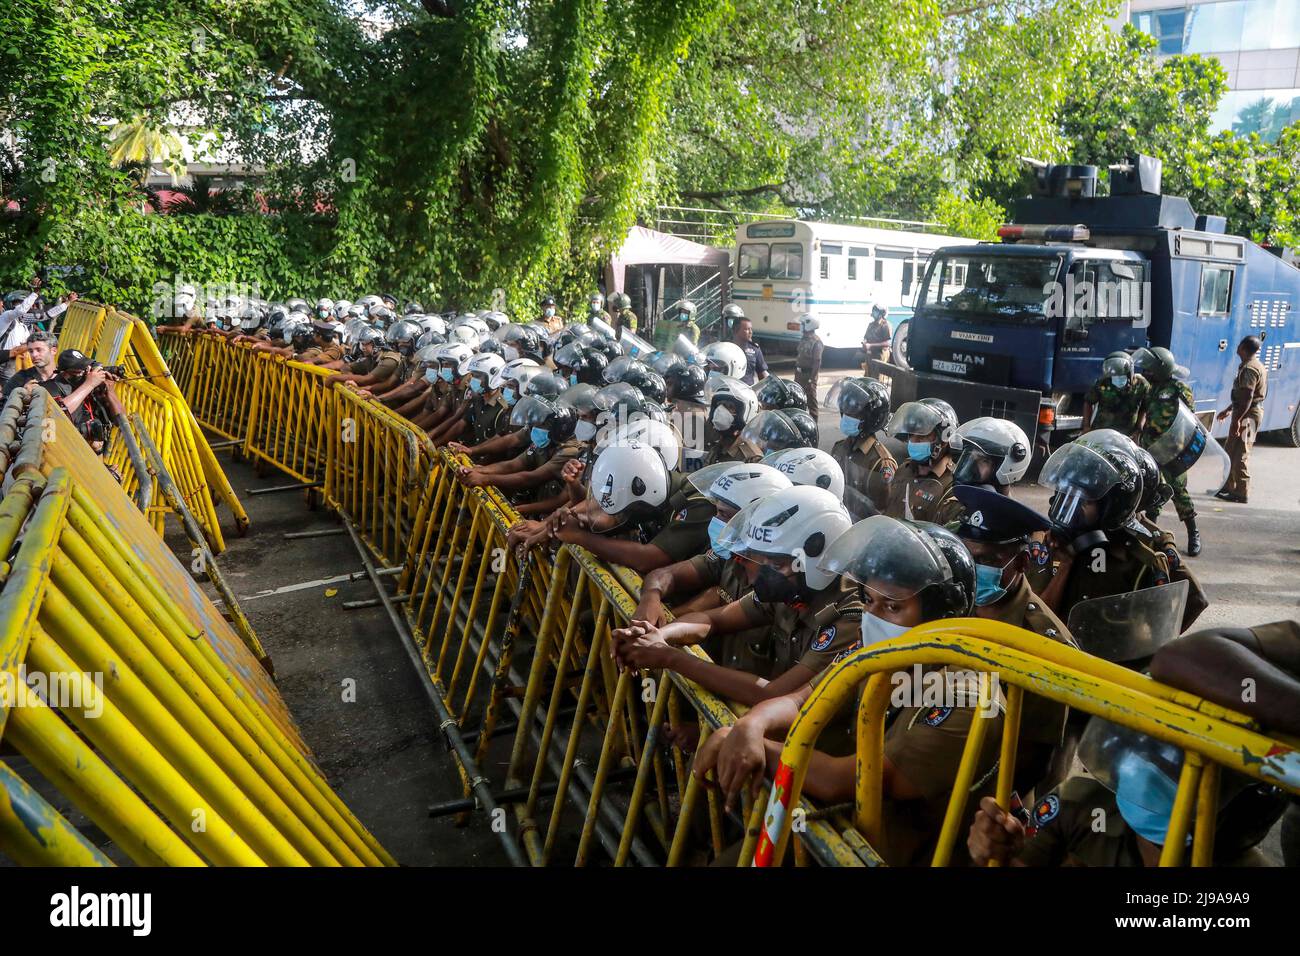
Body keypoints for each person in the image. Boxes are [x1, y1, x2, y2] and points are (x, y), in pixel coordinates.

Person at [693, 516, 990, 866]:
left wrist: (754, 745)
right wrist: (751, 725)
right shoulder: (874, 656)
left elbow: (850, 778)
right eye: (869, 600)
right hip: (840, 834)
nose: (873, 617)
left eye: (892, 607)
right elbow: (802, 698)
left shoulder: (968, 695)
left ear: (942, 615)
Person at [612, 485, 861, 706]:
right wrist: (658, 634)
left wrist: (670, 657)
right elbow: (714, 619)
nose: (758, 574)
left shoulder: (848, 617)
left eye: (774, 563)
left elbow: (772, 694)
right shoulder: (794, 591)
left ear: (817, 563)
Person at [1030, 439, 1169, 620]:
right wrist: (1065, 565)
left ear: (1111, 507)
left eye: (1084, 500)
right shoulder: (1049, 544)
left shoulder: (1139, 559)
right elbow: (1037, 619)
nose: (1069, 508)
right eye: (1065, 495)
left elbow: (1169, 621)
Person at [1134, 346, 1200, 556]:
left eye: (1151, 370)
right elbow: (1143, 408)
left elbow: (1190, 419)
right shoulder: (1151, 388)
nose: (1147, 373)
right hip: (1151, 448)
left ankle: (1194, 533)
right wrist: (1139, 426)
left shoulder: (1179, 389)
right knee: (1153, 490)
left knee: (1179, 492)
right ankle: (1151, 534)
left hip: (1173, 450)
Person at [883, 399, 957, 523]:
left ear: (943, 441)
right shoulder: (903, 469)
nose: (914, 440)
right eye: (911, 434)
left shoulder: (951, 486)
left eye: (923, 436)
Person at [1215, 335, 1267, 504]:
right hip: (1244, 412)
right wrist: (1230, 410)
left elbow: (1247, 397)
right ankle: (1228, 486)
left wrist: (1238, 419)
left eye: (1239, 345)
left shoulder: (1250, 369)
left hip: (1248, 415)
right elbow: (1242, 397)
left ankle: (1241, 492)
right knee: (1230, 450)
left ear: (1243, 348)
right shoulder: (1250, 365)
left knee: (1241, 453)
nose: (1236, 347)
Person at [1082, 351, 1149, 437]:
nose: (1117, 379)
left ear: (1129, 373)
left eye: (1121, 376)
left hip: (1127, 435)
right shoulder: (1103, 382)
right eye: (1114, 376)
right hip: (1101, 432)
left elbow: (1145, 408)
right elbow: (1088, 402)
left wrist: (1139, 429)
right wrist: (1086, 427)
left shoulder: (1141, 385)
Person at [2, 331, 56, 399]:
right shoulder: (21, 377)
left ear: (53, 351)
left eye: (39, 350)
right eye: (31, 351)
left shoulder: (65, 378)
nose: (34, 355)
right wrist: (22, 394)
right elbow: (3, 403)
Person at [794, 315, 823, 421]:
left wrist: (812, 379)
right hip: (799, 374)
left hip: (808, 375)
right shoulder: (804, 339)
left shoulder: (816, 342)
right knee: (798, 399)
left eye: (802, 324)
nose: (801, 326)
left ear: (809, 325)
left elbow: (817, 362)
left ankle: (814, 424)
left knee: (811, 402)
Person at [731, 315, 768, 385]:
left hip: (747, 392)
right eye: (747, 329)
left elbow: (762, 374)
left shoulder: (755, 349)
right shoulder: (726, 347)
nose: (750, 332)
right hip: (728, 390)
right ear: (736, 330)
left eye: (751, 329)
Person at [861, 304, 892, 371]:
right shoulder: (871, 325)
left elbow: (887, 343)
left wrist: (871, 345)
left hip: (880, 356)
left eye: (875, 311)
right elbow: (866, 338)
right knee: (869, 377)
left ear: (881, 313)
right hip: (870, 356)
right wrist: (864, 343)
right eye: (873, 310)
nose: (873, 312)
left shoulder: (885, 325)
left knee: (878, 378)